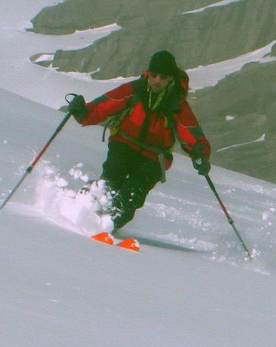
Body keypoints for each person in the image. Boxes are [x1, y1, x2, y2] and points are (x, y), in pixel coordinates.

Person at [67, 50, 211, 232]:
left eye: (163, 76)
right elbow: (102, 107)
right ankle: (82, 208)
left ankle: (107, 227)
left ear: (170, 78)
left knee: (132, 194)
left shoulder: (177, 104)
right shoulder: (134, 90)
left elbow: (191, 132)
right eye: (154, 74)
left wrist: (200, 155)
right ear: (148, 73)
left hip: (154, 157)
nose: (157, 80)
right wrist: (82, 112)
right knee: (110, 181)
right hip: (124, 143)